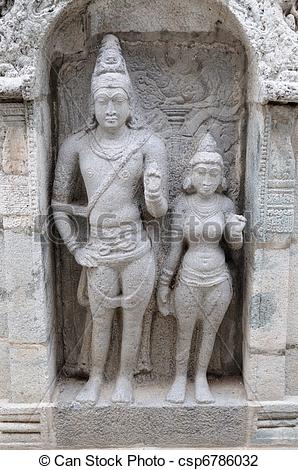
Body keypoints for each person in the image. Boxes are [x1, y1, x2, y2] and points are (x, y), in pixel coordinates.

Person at [52, 34, 168, 404]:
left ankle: (125, 379)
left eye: (119, 101)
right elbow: (58, 204)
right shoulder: (77, 145)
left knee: (133, 320)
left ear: (130, 103)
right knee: (100, 319)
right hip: (98, 248)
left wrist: (153, 195)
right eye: (102, 101)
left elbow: (159, 212)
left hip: (135, 248)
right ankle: (95, 378)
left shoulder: (149, 144)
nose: (111, 109)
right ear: (92, 104)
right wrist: (75, 248)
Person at [157, 133, 246, 403]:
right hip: (189, 276)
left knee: (209, 331)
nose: (207, 181)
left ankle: (200, 378)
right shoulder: (182, 204)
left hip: (218, 278)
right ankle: (179, 378)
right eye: (201, 174)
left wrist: (236, 233)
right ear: (191, 176)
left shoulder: (226, 205)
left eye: (213, 174)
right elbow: (174, 249)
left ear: (221, 178)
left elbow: (235, 248)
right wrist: (164, 284)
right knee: (184, 331)